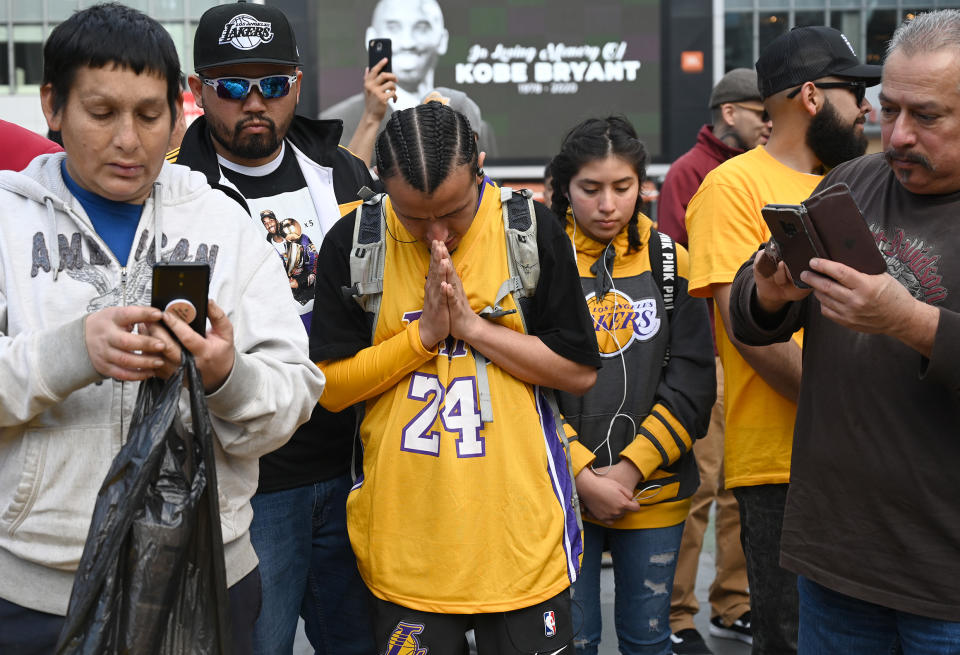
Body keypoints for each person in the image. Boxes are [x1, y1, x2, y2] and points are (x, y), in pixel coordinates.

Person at [0, 5, 325, 654]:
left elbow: (294, 393)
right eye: (103, 113)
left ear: (180, 114)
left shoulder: (222, 222)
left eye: (150, 115)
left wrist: (226, 375)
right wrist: (73, 351)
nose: (129, 140)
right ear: (53, 106)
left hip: (204, 576)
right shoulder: (8, 222)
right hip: (33, 594)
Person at [310, 101, 600, 653]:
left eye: (456, 211)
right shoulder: (354, 242)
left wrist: (471, 328)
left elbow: (579, 372)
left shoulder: (528, 229)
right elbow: (330, 389)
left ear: (481, 169)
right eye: (415, 218)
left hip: (521, 545)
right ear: (381, 185)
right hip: (407, 550)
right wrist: (421, 339)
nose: (436, 234)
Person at [730, 10, 960, 652]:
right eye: (890, 110)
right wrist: (768, 296)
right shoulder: (850, 182)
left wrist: (909, 321)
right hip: (835, 560)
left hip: (945, 582)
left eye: (928, 116)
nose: (899, 136)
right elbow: (747, 319)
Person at [170, 2, 378, 653]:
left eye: (272, 84)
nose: (253, 101)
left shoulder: (342, 173)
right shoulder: (173, 187)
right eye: (232, 86)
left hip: (350, 467)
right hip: (247, 481)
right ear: (200, 90)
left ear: (296, 82)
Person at [684, 26, 880, 655]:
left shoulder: (866, 181)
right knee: (794, 640)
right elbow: (750, 334)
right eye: (856, 92)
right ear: (812, 97)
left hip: (877, 460)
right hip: (783, 465)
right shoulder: (732, 187)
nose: (869, 110)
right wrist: (857, 407)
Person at [549, 116, 715, 655]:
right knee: (575, 643)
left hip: (654, 494)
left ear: (642, 186)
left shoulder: (672, 263)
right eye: (590, 189)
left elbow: (691, 384)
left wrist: (628, 468)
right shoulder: (539, 267)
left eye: (622, 188)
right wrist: (581, 474)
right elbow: (527, 385)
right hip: (562, 495)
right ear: (564, 190)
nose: (607, 205)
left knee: (648, 641)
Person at [659, 67, 770, 655]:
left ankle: (734, 603)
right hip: (710, 356)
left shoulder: (760, 170)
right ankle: (677, 614)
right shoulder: (689, 174)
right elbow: (678, 273)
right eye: (759, 111)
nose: (768, 121)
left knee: (738, 492)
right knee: (700, 489)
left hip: (753, 356)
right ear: (730, 113)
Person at [321, 0, 496, 162]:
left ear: (443, 39)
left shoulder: (474, 126)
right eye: (393, 27)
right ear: (370, 38)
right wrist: (371, 118)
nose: (407, 42)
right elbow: (342, 189)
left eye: (421, 28)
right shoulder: (336, 123)